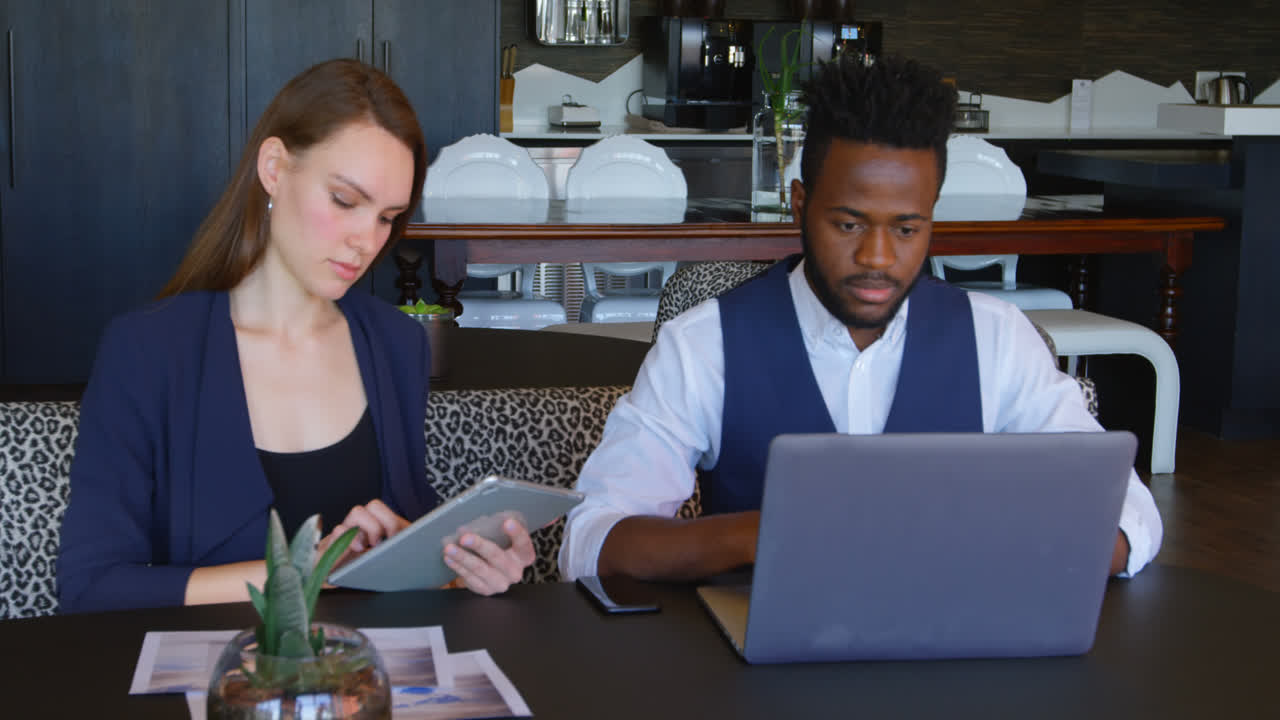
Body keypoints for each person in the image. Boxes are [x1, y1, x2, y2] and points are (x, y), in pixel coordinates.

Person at [559, 54, 1162, 582]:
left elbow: (1127, 517)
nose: (877, 258)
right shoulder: (703, 345)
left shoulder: (997, 339)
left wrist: (993, 548)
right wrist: (762, 536)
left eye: (906, 228)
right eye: (848, 224)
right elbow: (592, 543)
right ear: (800, 205)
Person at [57, 59, 534, 613]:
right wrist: (306, 571)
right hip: (214, 687)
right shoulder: (147, 354)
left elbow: (404, 555)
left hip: (371, 684)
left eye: (387, 217)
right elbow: (91, 590)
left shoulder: (395, 345)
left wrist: (457, 568)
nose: (366, 241)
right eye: (344, 200)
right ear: (275, 168)